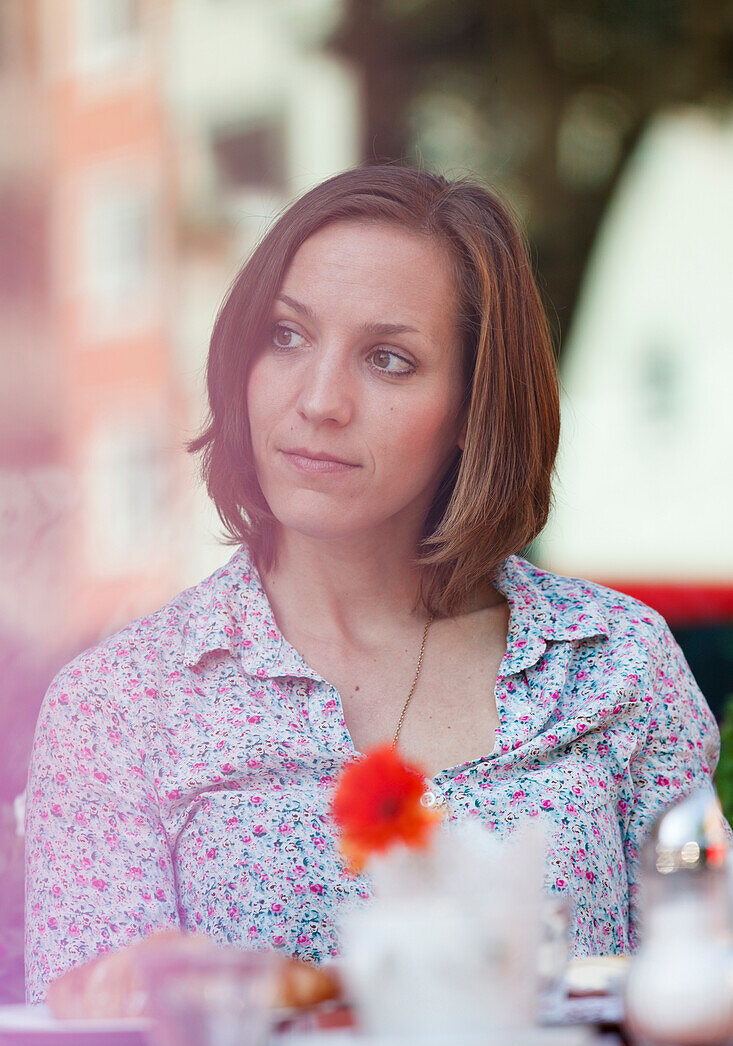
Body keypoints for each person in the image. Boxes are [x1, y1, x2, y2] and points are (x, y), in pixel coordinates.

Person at [25, 165, 722, 1003]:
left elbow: (707, 1000)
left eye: (388, 360)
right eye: (285, 336)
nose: (319, 400)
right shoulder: (118, 706)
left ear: (474, 405)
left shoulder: (615, 664)